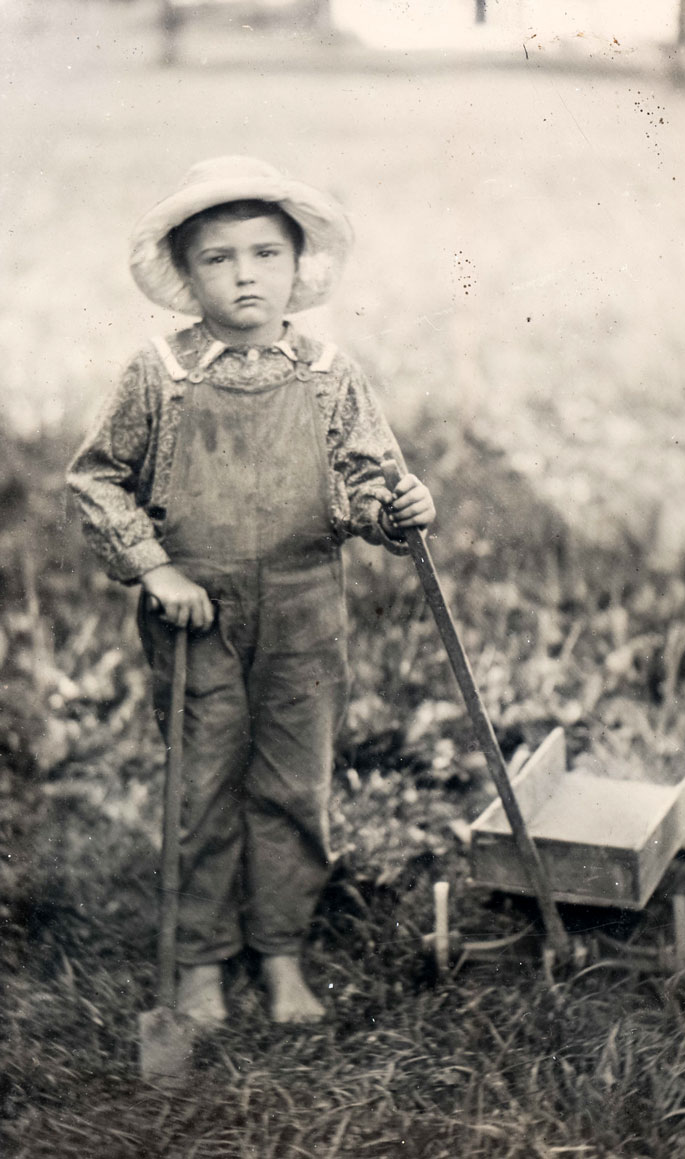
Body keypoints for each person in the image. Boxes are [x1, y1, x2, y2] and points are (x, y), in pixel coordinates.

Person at [67, 156, 436, 1026]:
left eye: (266, 255)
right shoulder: (161, 374)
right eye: (219, 258)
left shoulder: (328, 373)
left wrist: (404, 507)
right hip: (198, 615)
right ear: (187, 276)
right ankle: (198, 961)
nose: (245, 276)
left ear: (298, 266)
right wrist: (155, 568)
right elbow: (96, 480)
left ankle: (280, 952)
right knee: (201, 785)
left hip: (308, 612)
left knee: (292, 784)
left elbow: (368, 490)